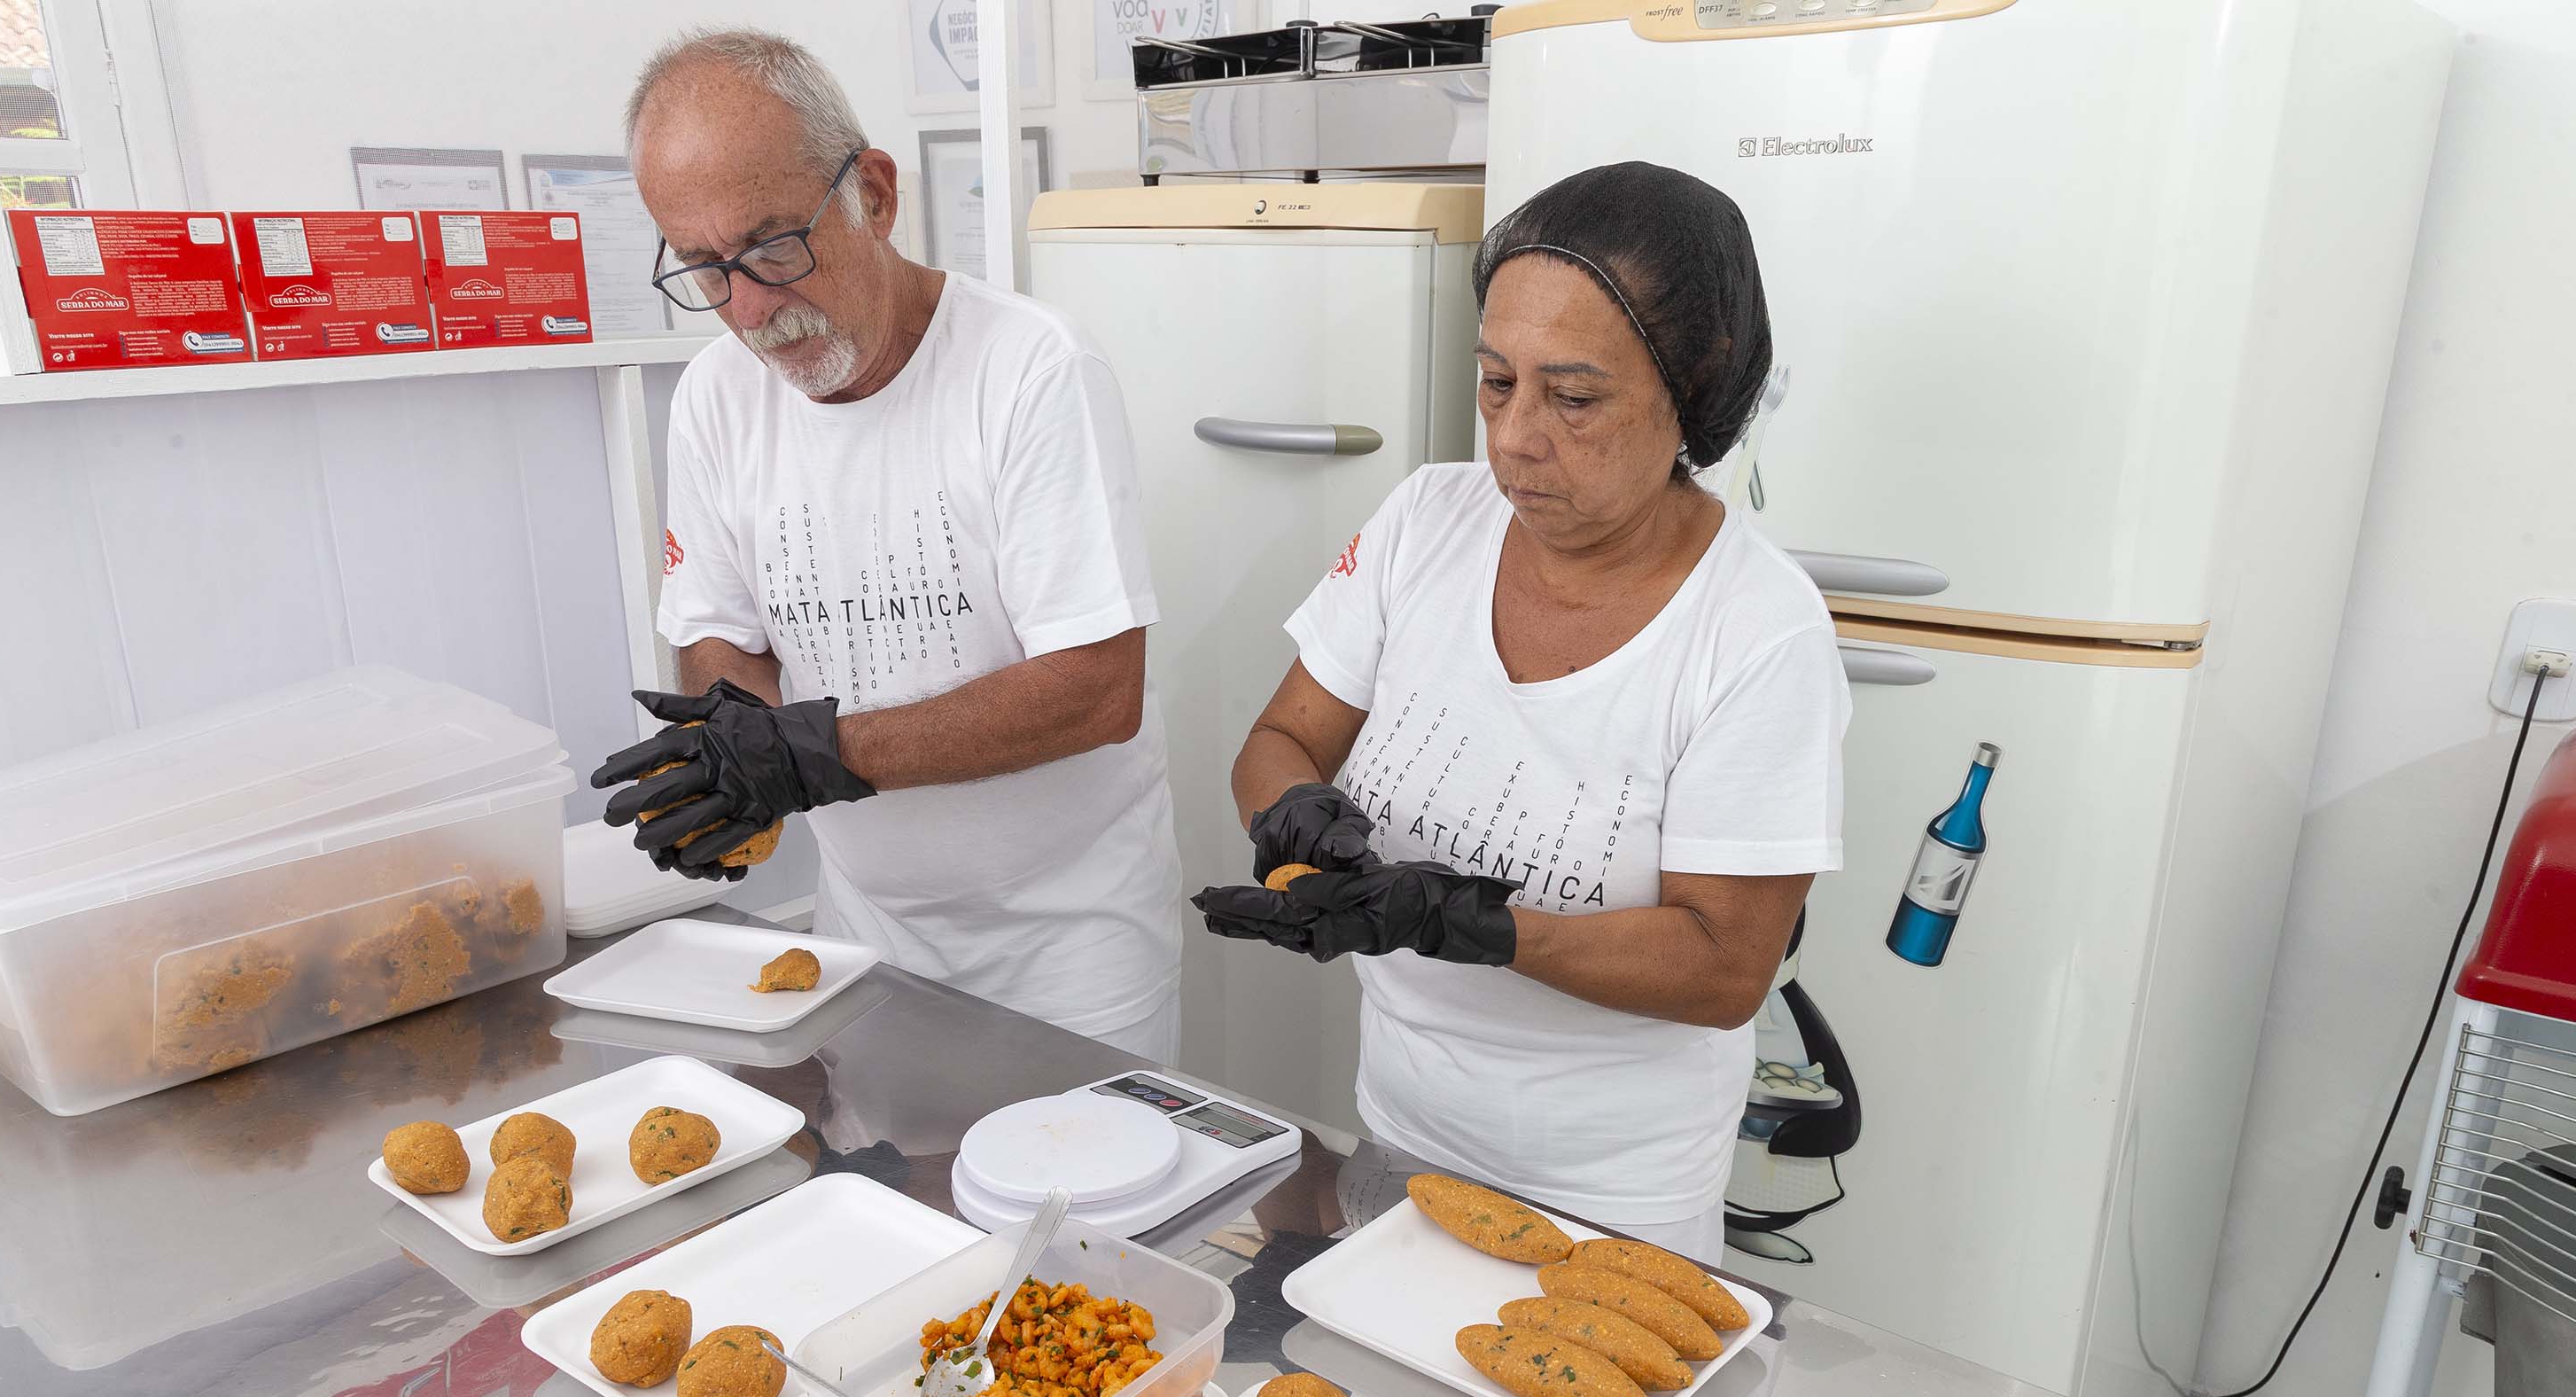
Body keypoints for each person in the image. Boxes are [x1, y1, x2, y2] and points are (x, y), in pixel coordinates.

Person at [1197, 163, 1849, 1260]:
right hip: (1401, 1131)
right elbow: (1283, 738)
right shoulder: (1426, 521)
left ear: (1695, 386)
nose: (1513, 437)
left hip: (1613, 1206)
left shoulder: (1759, 629)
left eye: (1574, 398)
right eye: (1497, 381)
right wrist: (1291, 814)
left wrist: (1468, 923)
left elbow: (1723, 966)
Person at [592, 29, 1184, 1061]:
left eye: (775, 247)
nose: (751, 308)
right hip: (865, 933)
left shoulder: (1030, 371)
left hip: (1072, 950)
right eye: (704, 268)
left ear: (873, 193)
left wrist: (814, 755)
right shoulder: (717, 399)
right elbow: (720, 634)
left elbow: (1096, 688)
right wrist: (736, 753)